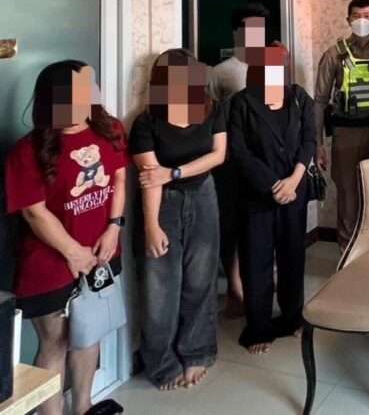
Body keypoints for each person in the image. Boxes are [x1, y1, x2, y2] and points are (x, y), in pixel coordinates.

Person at [4, 61, 126, 415]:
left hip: (101, 251)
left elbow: (119, 179)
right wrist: (73, 252)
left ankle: (83, 406)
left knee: (89, 332)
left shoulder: (110, 129)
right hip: (50, 263)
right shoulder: (27, 150)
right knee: (55, 341)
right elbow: (33, 212)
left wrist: (114, 227)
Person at [130, 49, 226, 390]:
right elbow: (150, 178)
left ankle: (197, 351)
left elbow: (218, 155)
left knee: (201, 278)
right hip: (163, 204)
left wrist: (175, 172)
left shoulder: (212, 109)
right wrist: (151, 225)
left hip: (203, 195)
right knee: (160, 287)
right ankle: (161, 362)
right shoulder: (146, 123)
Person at [229, 45, 316, 354]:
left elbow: (309, 140)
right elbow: (238, 151)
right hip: (257, 194)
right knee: (257, 261)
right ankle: (258, 328)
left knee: (293, 256)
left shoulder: (299, 98)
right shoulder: (242, 102)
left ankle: (292, 318)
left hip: (294, 190)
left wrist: (294, 180)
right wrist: (272, 184)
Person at [314, 0, 369, 249]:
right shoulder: (334, 54)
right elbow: (319, 101)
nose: (362, 21)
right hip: (346, 134)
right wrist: (317, 143)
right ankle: (347, 251)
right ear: (348, 20)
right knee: (348, 194)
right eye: (356, 16)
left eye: (367, 16)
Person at [209, 4, 268, 316]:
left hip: (266, 159)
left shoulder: (273, 66)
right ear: (236, 32)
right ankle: (234, 290)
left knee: (260, 224)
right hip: (231, 160)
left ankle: (259, 285)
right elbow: (211, 116)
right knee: (231, 225)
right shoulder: (221, 72)